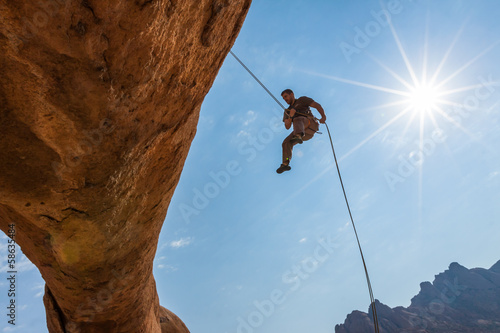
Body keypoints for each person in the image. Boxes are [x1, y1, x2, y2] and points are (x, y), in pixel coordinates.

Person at [276, 89, 327, 174]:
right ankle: (285, 163)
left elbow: (317, 105)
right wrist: (291, 116)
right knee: (286, 142)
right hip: (303, 134)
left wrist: (323, 117)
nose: (285, 99)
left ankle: (298, 135)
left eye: (286, 96)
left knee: (298, 118)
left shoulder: (302, 100)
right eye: (283, 98)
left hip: (310, 125)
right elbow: (287, 126)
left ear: (292, 94)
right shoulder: (287, 111)